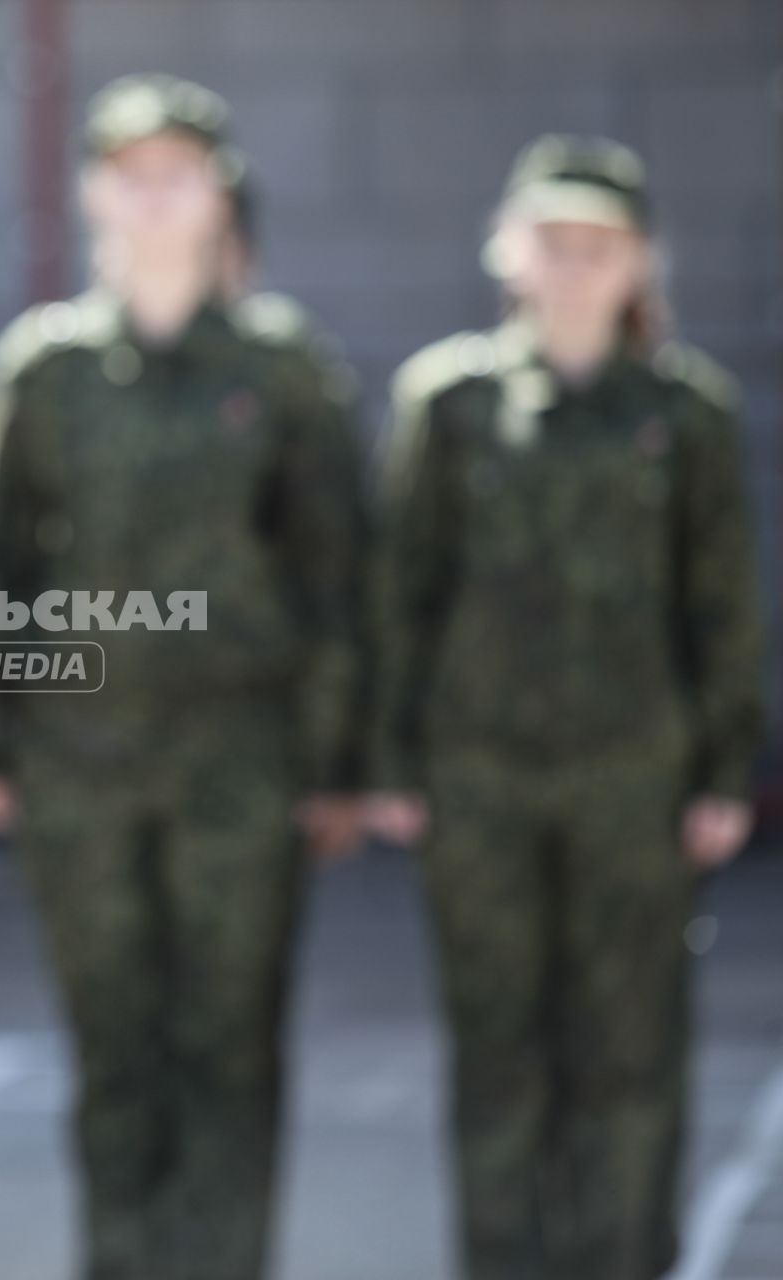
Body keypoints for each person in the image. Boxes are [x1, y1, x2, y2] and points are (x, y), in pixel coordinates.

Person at [0, 73, 367, 1279]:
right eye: (128, 172)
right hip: (82, 771)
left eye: (177, 171)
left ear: (218, 193)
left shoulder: (284, 367)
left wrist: (337, 761)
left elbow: (336, 572)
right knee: (115, 1057)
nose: (151, 195)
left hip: (243, 767)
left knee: (231, 1054)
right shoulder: (47, 366)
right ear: (93, 194)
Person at [368, 134, 768, 1280]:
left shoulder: (687, 414)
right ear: (511, 253)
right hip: (479, 788)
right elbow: (406, 591)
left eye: (601, 244)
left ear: (642, 261)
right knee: (499, 1063)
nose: (577, 264)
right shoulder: (448, 400)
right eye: (554, 241)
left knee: (631, 1063)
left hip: (637, 788)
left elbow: (722, 606)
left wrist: (723, 771)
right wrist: (395, 761)